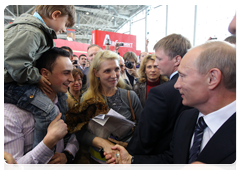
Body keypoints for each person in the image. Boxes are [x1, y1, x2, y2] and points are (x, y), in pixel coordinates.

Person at [105, 40, 238, 170]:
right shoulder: (187, 118)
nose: (176, 84)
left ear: (212, 78)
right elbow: (172, 161)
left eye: (183, 76)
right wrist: (131, 161)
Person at [4, 5, 76, 148]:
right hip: (10, 84)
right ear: (55, 15)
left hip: (18, 79)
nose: (64, 30)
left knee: (62, 98)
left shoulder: (39, 32)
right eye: (65, 24)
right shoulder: (30, 32)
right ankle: (44, 152)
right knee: (46, 110)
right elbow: (17, 65)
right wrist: (37, 78)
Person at [65, 50, 143, 170]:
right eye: (107, 71)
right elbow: (79, 131)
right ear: (96, 73)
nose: (114, 75)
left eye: (117, 69)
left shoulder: (130, 95)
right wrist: (103, 143)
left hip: (125, 161)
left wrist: (128, 144)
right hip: (95, 163)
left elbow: (143, 129)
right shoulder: (87, 98)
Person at [4, 47, 79, 170]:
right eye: (66, 73)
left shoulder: (62, 101)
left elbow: (72, 137)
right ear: (45, 74)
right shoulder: (10, 114)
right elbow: (14, 167)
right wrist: (48, 142)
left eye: (72, 72)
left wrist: (67, 155)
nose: (71, 79)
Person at [126, 33, 192, 157]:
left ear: (177, 60)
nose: (155, 64)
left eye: (159, 59)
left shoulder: (161, 93)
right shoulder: (197, 87)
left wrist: (130, 159)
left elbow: (145, 137)